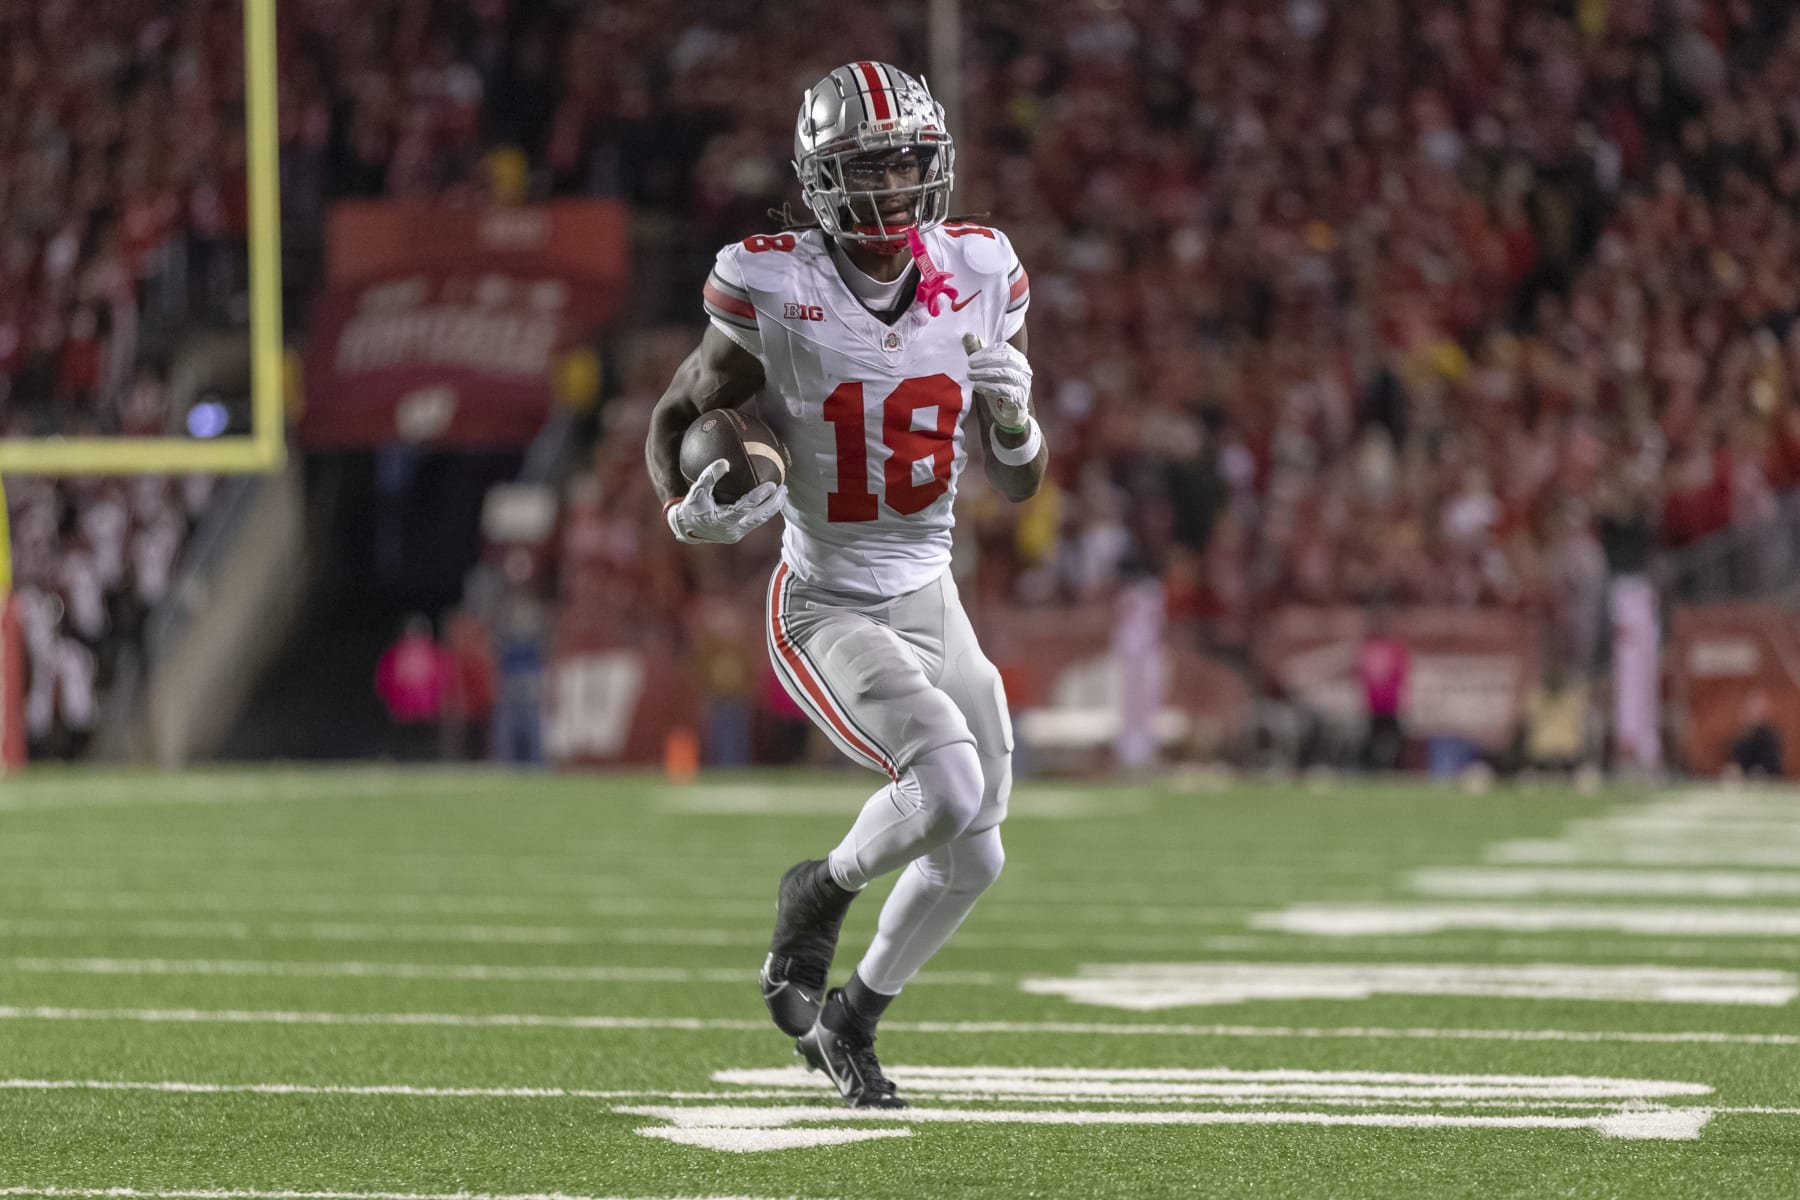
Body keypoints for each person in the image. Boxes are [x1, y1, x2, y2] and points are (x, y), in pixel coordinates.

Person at [644, 62, 1044, 1110]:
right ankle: (817, 892)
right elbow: (678, 417)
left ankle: (850, 1021)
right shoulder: (775, 284)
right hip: (827, 601)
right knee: (948, 786)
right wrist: (682, 505)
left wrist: (1016, 425)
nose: (895, 186)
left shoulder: (983, 268)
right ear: (821, 181)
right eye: (868, 166)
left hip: (930, 589)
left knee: (979, 851)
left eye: (909, 161)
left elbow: (1019, 479)